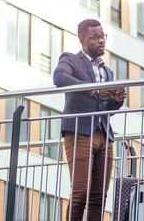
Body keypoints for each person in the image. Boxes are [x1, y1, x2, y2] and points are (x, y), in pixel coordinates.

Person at [53, 19, 127, 220]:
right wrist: (95, 89)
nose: (101, 41)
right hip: (79, 132)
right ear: (82, 40)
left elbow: (105, 109)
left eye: (103, 36)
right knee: (80, 194)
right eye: (95, 37)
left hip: (104, 136)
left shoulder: (107, 71)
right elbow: (59, 78)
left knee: (99, 198)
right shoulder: (71, 59)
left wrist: (116, 101)